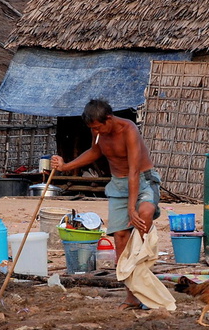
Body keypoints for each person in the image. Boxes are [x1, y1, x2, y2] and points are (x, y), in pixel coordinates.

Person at [51, 99, 162, 310]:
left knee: (143, 215)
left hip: (143, 181)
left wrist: (131, 208)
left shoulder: (129, 130)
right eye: (92, 128)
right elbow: (95, 151)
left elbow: (134, 171)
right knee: (120, 237)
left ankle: (147, 288)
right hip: (118, 185)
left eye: (97, 127)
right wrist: (66, 166)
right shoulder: (99, 131)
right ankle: (131, 295)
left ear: (108, 119)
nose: (95, 130)